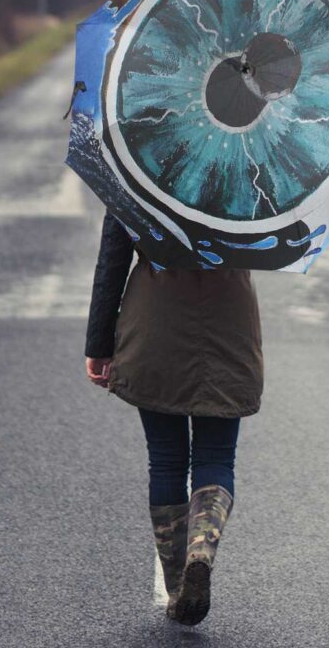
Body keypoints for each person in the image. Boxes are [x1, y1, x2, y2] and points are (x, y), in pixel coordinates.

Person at [83, 211, 264, 625]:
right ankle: (202, 550)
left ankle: (179, 586)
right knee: (216, 456)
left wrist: (99, 343)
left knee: (166, 458)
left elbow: (112, 260)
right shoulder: (246, 167)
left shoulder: (136, 165)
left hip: (154, 315)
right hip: (229, 315)